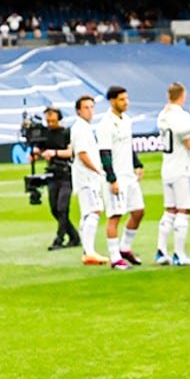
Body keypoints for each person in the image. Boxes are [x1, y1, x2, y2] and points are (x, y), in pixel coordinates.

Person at [155, 82, 190, 266]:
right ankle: (179, 254)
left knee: (170, 210)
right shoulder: (180, 116)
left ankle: (161, 251)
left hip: (167, 167)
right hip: (181, 169)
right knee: (184, 210)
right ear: (182, 96)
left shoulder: (163, 115)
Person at [100, 85, 145, 271]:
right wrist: (112, 179)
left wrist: (137, 164)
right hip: (116, 177)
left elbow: (128, 145)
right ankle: (114, 258)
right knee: (115, 216)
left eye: (126, 99)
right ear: (112, 101)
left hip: (129, 175)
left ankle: (125, 248)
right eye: (121, 99)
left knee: (138, 211)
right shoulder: (105, 124)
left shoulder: (126, 120)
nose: (126, 102)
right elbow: (104, 153)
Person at [69, 96, 109, 266]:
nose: (90, 110)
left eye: (92, 107)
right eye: (86, 107)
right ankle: (89, 252)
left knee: (89, 212)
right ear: (79, 110)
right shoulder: (80, 129)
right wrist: (97, 170)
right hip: (87, 178)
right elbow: (82, 153)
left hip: (87, 178)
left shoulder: (85, 127)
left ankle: (88, 251)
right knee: (94, 211)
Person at [36, 107, 79, 251]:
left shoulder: (67, 132)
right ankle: (74, 236)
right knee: (54, 208)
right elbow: (39, 150)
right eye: (48, 121)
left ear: (59, 119)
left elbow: (70, 152)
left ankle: (59, 238)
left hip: (66, 174)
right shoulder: (44, 134)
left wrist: (53, 153)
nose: (50, 123)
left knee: (62, 207)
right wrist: (36, 153)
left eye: (53, 120)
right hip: (52, 174)